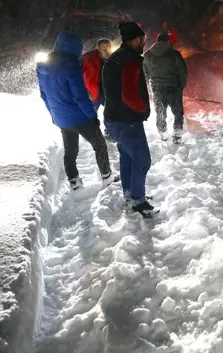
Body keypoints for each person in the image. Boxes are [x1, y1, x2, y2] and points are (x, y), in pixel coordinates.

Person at [37, 31, 113, 191]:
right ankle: (107, 177)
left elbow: (44, 95)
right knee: (99, 145)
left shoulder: (43, 67)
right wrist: (92, 116)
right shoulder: (71, 67)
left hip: (61, 118)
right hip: (79, 117)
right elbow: (80, 97)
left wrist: (53, 114)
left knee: (70, 152)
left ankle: (74, 182)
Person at [102, 21, 157, 218]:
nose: (144, 42)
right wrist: (142, 108)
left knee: (127, 156)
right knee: (142, 161)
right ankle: (138, 201)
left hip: (115, 117)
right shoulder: (130, 60)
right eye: (143, 39)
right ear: (135, 40)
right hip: (127, 119)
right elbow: (129, 94)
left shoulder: (116, 57)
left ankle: (130, 194)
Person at [143, 33, 188, 143]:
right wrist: (181, 86)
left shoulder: (147, 55)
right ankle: (177, 136)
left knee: (160, 112)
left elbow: (145, 73)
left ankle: (163, 135)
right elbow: (182, 72)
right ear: (168, 41)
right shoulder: (174, 54)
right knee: (178, 113)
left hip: (156, 88)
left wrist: (150, 84)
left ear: (157, 41)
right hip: (173, 87)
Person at [81, 39, 113, 138]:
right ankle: (91, 133)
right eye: (103, 47)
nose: (106, 49)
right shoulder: (87, 58)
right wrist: (84, 90)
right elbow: (77, 74)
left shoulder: (114, 58)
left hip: (108, 91)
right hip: (92, 91)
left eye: (108, 46)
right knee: (90, 114)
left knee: (111, 112)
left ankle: (109, 132)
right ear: (98, 48)